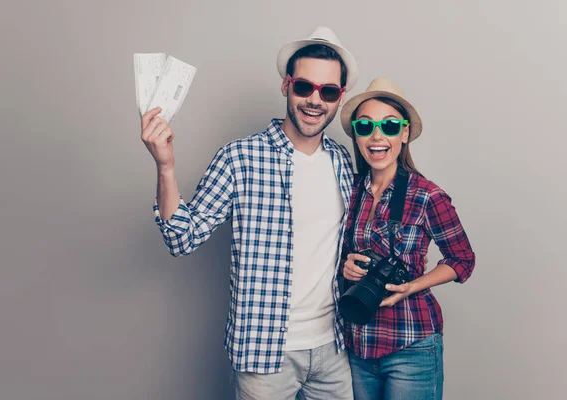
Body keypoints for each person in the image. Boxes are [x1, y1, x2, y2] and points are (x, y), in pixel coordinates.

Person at [141, 27, 359, 399]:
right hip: (264, 355)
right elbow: (182, 237)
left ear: (340, 98)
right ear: (285, 86)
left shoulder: (343, 161)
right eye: (304, 87)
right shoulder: (240, 158)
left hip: (333, 349)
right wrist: (165, 166)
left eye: (328, 91)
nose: (314, 100)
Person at [340, 77, 476, 400]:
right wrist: (347, 266)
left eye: (389, 125)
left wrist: (413, 285)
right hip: (359, 344)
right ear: (357, 135)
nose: (377, 135)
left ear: (404, 133)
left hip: (410, 344)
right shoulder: (350, 190)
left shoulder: (427, 195)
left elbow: (463, 260)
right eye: (366, 125)